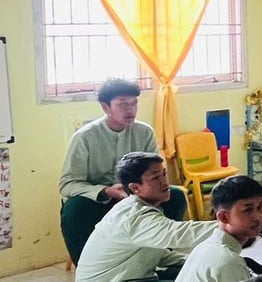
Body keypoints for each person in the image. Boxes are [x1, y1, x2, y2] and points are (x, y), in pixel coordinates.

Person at [59, 78, 187, 266]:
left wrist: (142, 190)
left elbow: (155, 169)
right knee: (74, 209)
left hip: (136, 196)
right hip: (99, 199)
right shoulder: (85, 137)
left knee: (174, 196)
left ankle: (159, 257)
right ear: (105, 107)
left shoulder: (144, 132)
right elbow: (68, 184)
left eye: (134, 103)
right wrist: (106, 191)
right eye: (123, 104)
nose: (131, 110)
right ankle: (88, 268)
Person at [74, 152, 217, 282]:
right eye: (155, 178)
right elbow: (180, 233)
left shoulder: (141, 207)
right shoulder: (134, 216)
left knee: (204, 268)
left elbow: (154, 254)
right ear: (135, 188)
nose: (165, 182)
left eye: (164, 174)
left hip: (130, 276)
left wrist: (192, 259)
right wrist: (227, 223)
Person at [176, 175, 262, 282]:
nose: (258, 216)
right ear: (224, 217)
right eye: (248, 210)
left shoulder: (205, 246)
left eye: (260, 207)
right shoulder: (229, 262)